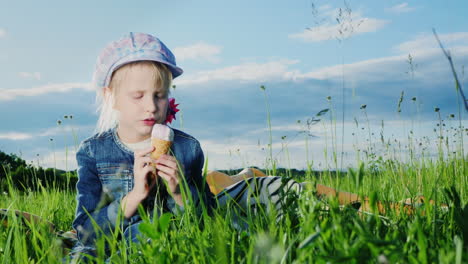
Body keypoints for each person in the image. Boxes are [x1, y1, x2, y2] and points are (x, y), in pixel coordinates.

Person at [70, 32, 302, 261]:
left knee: (148, 239)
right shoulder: (93, 152)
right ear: (112, 97)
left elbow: (205, 221)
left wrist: (179, 191)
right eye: (137, 96)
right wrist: (135, 196)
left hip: (159, 239)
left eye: (159, 95)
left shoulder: (186, 148)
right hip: (107, 242)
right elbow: (85, 233)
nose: (151, 106)